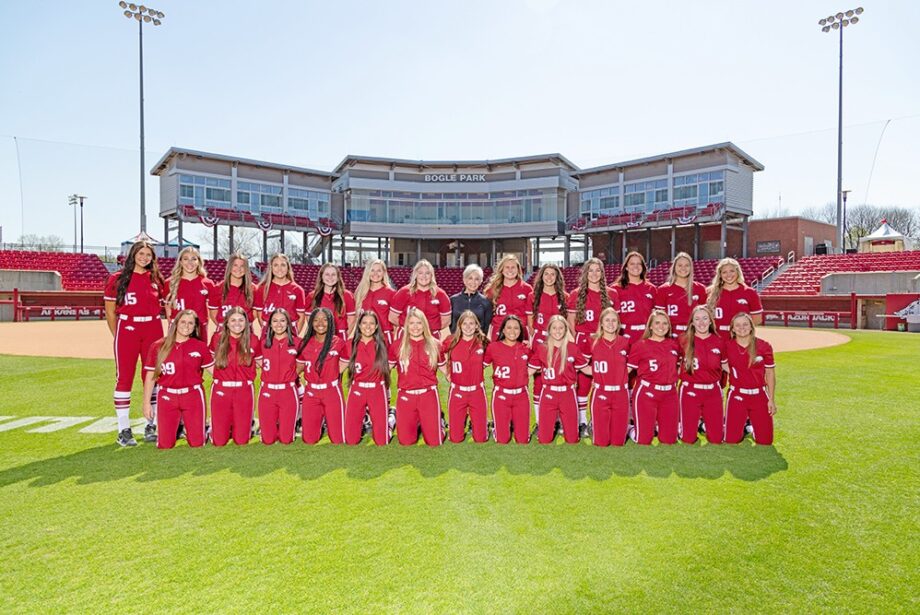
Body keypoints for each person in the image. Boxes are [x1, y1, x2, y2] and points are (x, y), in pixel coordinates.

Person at [104, 240, 166, 447]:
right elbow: (110, 312)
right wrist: (119, 334)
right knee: (125, 378)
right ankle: (123, 429)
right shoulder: (117, 279)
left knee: (153, 376)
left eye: (148, 255)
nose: (144, 258)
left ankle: (151, 424)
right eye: (141, 254)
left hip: (153, 329)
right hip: (128, 328)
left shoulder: (157, 279)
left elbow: (167, 305)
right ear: (133, 255)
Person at [141, 310, 213, 449]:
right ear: (175, 323)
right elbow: (150, 377)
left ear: (195, 327)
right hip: (167, 396)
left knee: (197, 443)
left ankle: (207, 431)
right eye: (183, 322)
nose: (186, 326)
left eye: (190, 323)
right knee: (165, 445)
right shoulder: (158, 346)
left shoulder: (200, 346)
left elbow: (215, 373)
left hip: (193, 395)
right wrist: (146, 403)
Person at [567, 257, 619, 438]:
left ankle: (600, 419)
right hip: (583, 341)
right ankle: (581, 421)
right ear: (585, 273)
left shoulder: (612, 294)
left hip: (604, 341)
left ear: (603, 273)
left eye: (598, 270)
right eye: (591, 270)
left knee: (605, 381)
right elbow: (571, 323)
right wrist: (573, 346)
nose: (594, 274)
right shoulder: (576, 294)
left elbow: (616, 322)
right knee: (582, 383)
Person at [527, 315, 591, 444]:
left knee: (572, 439)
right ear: (549, 330)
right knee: (544, 439)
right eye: (554, 328)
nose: (558, 331)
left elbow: (587, 369)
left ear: (566, 329)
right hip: (548, 394)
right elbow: (529, 371)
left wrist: (612, 369)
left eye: (561, 328)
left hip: (568, 393)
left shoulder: (573, 348)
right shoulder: (542, 348)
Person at [388, 307, 445, 446]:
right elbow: (386, 369)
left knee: (434, 442)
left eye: (419, 323)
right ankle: (394, 418)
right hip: (406, 396)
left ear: (424, 324)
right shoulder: (397, 346)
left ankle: (439, 422)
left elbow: (444, 368)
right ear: (407, 325)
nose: (415, 327)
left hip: (428, 395)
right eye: (412, 323)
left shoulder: (435, 345)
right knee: (406, 441)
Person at [208, 307, 261, 446]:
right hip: (221, 390)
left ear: (246, 323)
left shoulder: (254, 340)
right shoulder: (217, 338)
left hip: (244, 390)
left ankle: (247, 426)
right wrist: (220, 376)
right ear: (226, 323)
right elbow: (209, 361)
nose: (237, 323)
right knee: (219, 442)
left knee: (242, 441)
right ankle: (215, 428)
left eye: (240, 320)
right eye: (233, 320)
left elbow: (262, 362)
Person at [627, 309, 681, 445]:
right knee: (644, 440)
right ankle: (629, 429)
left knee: (669, 440)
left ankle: (658, 427)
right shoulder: (640, 346)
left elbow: (679, 367)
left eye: (665, 324)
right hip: (647, 393)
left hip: (669, 394)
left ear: (669, 327)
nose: (661, 327)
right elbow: (627, 370)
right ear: (650, 326)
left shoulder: (674, 345)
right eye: (657, 323)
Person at [723, 312, 777, 445]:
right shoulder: (727, 346)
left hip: (759, 395)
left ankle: (750, 428)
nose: (742, 328)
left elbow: (770, 373)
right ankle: (739, 427)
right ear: (733, 329)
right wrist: (735, 373)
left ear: (751, 327)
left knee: (765, 441)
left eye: (745, 324)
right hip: (737, 395)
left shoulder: (764, 346)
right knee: (731, 440)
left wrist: (771, 399)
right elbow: (722, 363)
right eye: (738, 325)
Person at [296, 308, 347, 444]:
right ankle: (320, 424)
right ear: (311, 322)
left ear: (330, 322)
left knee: (338, 439)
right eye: (317, 319)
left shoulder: (338, 342)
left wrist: (333, 375)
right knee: (309, 440)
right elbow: (298, 367)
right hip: (311, 392)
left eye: (325, 319)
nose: (321, 323)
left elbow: (345, 362)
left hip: (332, 391)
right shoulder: (305, 343)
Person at [342, 310, 391, 445]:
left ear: (376, 326)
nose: (367, 327)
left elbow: (393, 365)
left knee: (382, 441)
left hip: (377, 389)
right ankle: (363, 424)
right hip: (357, 388)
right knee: (351, 440)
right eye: (364, 323)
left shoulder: (383, 344)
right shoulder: (350, 344)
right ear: (359, 325)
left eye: (371, 323)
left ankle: (391, 419)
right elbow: (340, 366)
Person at [583, 307, 630, 447]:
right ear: (601, 323)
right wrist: (597, 374)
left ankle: (630, 428)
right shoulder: (592, 341)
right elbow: (582, 365)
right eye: (607, 320)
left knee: (618, 442)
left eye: (614, 320)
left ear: (618, 323)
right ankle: (594, 425)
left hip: (621, 392)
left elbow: (631, 366)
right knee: (601, 442)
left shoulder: (625, 342)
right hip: (601, 391)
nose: (611, 323)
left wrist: (619, 374)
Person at [678, 305, 725, 444]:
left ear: (711, 321)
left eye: (705, 318)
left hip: (712, 391)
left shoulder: (719, 341)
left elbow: (727, 366)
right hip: (690, 390)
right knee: (688, 439)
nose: (702, 322)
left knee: (716, 439)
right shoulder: (683, 340)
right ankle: (685, 426)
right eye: (697, 319)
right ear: (692, 322)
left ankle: (704, 425)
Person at [441, 310, 489, 443]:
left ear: (476, 326)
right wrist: (446, 372)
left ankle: (482, 425)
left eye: (471, 323)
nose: (468, 327)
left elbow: (496, 354)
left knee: (481, 439)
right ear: (460, 326)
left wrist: (482, 366)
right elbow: (435, 352)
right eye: (465, 324)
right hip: (458, 391)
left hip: (477, 391)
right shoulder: (451, 340)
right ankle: (440, 422)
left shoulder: (483, 341)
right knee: (455, 439)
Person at [484, 315, 532, 444]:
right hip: (501, 395)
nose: (512, 331)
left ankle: (512, 424)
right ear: (503, 330)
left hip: (521, 395)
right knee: (502, 439)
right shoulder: (493, 347)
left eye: (516, 328)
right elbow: (480, 365)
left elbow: (536, 367)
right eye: (509, 327)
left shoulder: (526, 348)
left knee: (522, 440)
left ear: (521, 331)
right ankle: (497, 427)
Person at [257, 309, 301, 445]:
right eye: (275, 321)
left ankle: (287, 428)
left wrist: (290, 375)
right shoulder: (263, 343)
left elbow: (302, 364)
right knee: (267, 440)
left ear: (288, 324)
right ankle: (267, 430)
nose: (279, 324)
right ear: (270, 324)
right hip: (267, 391)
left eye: (282, 321)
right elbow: (259, 362)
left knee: (286, 439)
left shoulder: (298, 342)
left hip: (288, 391)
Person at [389, 259, 451, 339]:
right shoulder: (404, 292)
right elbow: (392, 317)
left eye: (427, 273)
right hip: (406, 337)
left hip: (431, 336)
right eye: (420, 273)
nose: (424, 276)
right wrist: (411, 329)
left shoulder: (441, 294)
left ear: (432, 275)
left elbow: (446, 321)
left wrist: (428, 329)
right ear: (415, 275)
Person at [165, 246, 214, 342]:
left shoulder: (208, 283)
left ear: (199, 262)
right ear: (180, 261)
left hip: (199, 329)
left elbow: (212, 311)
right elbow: (168, 309)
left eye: (194, 259)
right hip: (178, 328)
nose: (190, 263)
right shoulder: (170, 282)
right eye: (186, 259)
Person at [707, 257, 764, 336]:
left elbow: (757, 319)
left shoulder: (750, 292)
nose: (728, 275)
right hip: (717, 337)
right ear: (720, 275)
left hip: (740, 337)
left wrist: (742, 330)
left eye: (732, 271)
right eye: (724, 272)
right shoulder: (710, 292)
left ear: (738, 272)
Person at [655, 252, 706, 335]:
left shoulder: (700, 288)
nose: (683, 268)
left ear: (691, 268)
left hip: (694, 333)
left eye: (687, 265)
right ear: (674, 267)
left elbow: (704, 316)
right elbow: (659, 317)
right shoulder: (663, 289)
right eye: (680, 265)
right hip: (671, 333)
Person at [484, 254, 533, 341]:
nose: (510, 270)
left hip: (520, 330)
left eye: (513, 267)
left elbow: (532, 314)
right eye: (507, 267)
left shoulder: (527, 288)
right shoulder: (493, 289)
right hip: (499, 329)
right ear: (502, 270)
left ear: (518, 269)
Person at [255, 253, 306, 333]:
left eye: (283, 265)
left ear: (288, 267)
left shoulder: (298, 290)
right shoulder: (262, 289)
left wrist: (294, 336)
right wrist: (269, 333)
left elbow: (301, 317)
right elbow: (259, 314)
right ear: (271, 268)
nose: (279, 268)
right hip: (268, 331)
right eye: (276, 265)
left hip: (290, 331)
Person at [306, 262, 356, 340]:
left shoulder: (347, 295)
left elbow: (351, 320)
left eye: (333, 274)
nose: (330, 277)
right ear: (321, 276)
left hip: (340, 336)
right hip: (319, 336)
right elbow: (310, 319)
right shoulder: (312, 296)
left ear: (338, 277)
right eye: (327, 274)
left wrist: (343, 337)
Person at [207, 252, 255, 331]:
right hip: (224, 332)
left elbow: (255, 314)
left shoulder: (253, 289)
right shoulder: (217, 288)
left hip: (246, 332)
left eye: (242, 266)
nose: (238, 269)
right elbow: (213, 314)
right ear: (229, 267)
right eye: (235, 265)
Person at [616, 251, 657, 340]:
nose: (636, 266)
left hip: (646, 334)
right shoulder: (615, 289)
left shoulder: (651, 288)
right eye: (632, 264)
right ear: (626, 267)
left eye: (639, 264)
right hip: (624, 333)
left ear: (643, 267)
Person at [353, 259, 396, 344]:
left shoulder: (391, 293)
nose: (375, 274)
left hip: (384, 338)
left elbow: (395, 322)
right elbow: (356, 318)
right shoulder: (360, 292)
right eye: (372, 270)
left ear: (384, 273)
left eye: (379, 270)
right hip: (363, 337)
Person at [449, 263, 492, 334]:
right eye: (470, 278)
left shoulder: (486, 302)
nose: (473, 282)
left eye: (477, 279)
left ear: (481, 281)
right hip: (457, 341)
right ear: (464, 280)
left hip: (477, 342)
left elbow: (486, 327)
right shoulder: (453, 300)